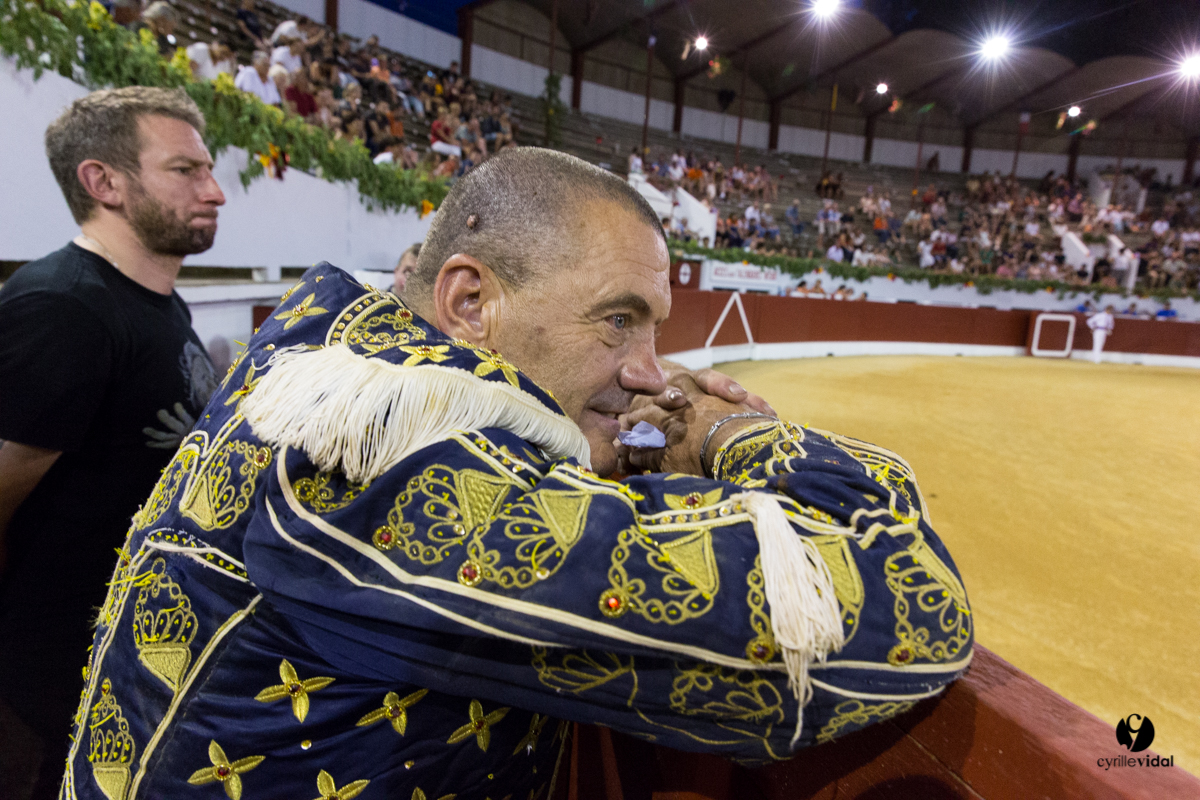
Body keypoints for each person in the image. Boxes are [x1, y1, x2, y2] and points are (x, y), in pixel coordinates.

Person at [60, 149, 971, 800]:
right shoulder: (399, 465)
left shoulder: (334, 359)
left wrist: (612, 439)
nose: (654, 371)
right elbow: (913, 608)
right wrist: (728, 433)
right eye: (618, 320)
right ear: (469, 303)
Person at [0, 86, 225, 800]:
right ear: (104, 182)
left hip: (120, 667)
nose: (215, 191)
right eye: (185, 170)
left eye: (207, 168)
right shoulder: (65, 309)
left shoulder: (156, 300)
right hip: (42, 683)